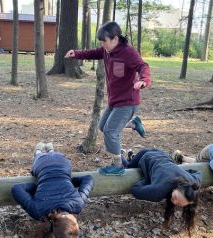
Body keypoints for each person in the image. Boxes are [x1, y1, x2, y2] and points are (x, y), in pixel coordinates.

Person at [65, 21, 152, 176]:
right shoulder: (106, 50)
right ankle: (133, 124)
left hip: (128, 101)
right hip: (114, 100)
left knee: (111, 132)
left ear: (115, 38)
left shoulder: (128, 52)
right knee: (102, 126)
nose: (103, 44)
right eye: (101, 42)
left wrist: (143, 80)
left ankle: (118, 166)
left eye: (105, 41)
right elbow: (93, 53)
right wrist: (76, 53)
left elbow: (143, 66)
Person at [11, 142, 94, 238]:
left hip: (62, 162)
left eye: (75, 222)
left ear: (66, 217)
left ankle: (45, 149)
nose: (76, 219)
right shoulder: (38, 212)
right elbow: (17, 189)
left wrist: (69, 181)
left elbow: (88, 179)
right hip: (42, 165)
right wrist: (38, 187)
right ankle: (45, 150)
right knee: (40, 159)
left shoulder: (77, 205)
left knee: (43, 155)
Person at [122, 148, 202, 235]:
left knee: (133, 163)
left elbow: (198, 173)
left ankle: (132, 157)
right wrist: (147, 178)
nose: (174, 202)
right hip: (145, 155)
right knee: (128, 168)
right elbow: (135, 190)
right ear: (177, 188)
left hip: (163, 154)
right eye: (175, 197)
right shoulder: (158, 191)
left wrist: (180, 172)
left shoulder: (192, 183)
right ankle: (119, 155)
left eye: (179, 204)